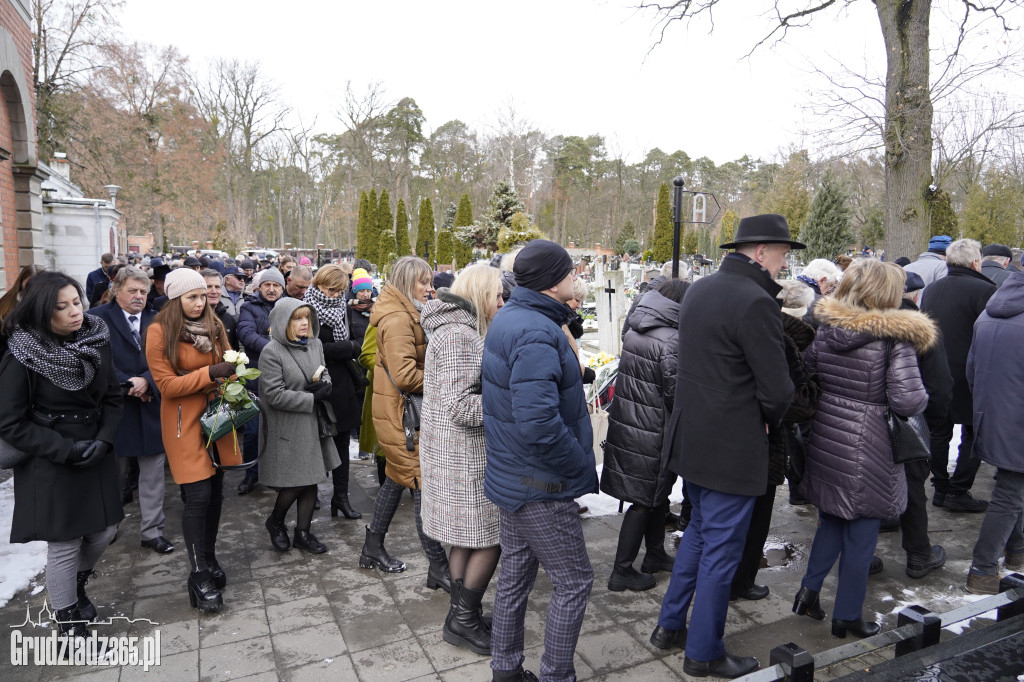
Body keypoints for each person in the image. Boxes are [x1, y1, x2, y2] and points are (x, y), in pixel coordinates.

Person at [651, 215, 798, 679]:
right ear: (760, 251)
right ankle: (703, 652)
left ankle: (670, 626)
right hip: (729, 446)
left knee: (699, 533)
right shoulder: (755, 301)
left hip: (694, 438)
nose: (783, 262)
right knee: (721, 551)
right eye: (781, 254)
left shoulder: (701, 289)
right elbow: (778, 390)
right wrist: (771, 418)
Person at [793, 260, 932, 639]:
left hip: (828, 435)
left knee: (832, 519)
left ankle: (808, 592)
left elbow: (808, 369)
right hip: (871, 445)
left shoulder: (828, 328)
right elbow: (908, 400)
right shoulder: (895, 337)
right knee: (862, 533)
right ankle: (847, 616)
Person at [482, 239, 598, 682]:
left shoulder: (516, 315)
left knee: (515, 575)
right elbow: (538, 423)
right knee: (574, 581)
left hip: (517, 475)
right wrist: (577, 463)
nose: (576, 277)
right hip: (539, 483)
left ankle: (506, 670)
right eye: (570, 272)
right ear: (553, 282)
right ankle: (556, 675)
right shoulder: (535, 330)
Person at [0, 271, 123, 635]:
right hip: (51, 458)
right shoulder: (22, 354)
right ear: (41, 310)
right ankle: (69, 627)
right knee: (65, 544)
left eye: (76, 302)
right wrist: (66, 450)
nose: (75, 311)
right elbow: (10, 424)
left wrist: (105, 439)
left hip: (96, 450)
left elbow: (113, 396)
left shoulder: (96, 339)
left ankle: (75, 586)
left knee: (105, 531)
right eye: (62, 306)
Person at [420, 264, 504, 655]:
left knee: (467, 538)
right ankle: (464, 619)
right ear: (481, 295)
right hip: (465, 457)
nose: (501, 302)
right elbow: (461, 406)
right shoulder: (460, 334)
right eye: (497, 295)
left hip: (454, 453)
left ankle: (461, 616)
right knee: (490, 537)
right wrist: (511, 403)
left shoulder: (457, 328)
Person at [146, 267, 238, 612]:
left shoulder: (215, 326)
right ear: (175, 298)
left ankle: (209, 557)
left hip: (217, 418)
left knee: (215, 492)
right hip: (183, 421)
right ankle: (198, 574)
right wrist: (209, 373)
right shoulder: (159, 331)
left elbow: (230, 363)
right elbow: (167, 386)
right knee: (197, 495)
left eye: (203, 296)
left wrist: (234, 376)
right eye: (192, 297)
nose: (201, 302)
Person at [359, 256, 449, 589]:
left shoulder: (406, 311)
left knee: (397, 479)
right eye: (423, 282)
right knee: (422, 486)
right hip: (403, 419)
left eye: (430, 281)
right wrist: (448, 378)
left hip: (397, 413)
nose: (429, 288)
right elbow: (406, 376)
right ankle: (439, 567)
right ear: (405, 282)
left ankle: (372, 547)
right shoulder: (398, 318)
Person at [601, 279, 689, 592]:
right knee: (643, 500)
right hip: (653, 429)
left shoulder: (638, 329)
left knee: (655, 496)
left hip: (633, 424)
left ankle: (655, 554)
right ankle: (621, 571)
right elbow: (676, 393)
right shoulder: (672, 339)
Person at [87, 267, 172, 554]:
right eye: (132, 290)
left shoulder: (159, 319)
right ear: (116, 290)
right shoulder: (96, 319)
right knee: (113, 475)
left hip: (151, 408)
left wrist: (147, 381)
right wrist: (128, 383)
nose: (139, 296)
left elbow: (168, 359)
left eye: (144, 291)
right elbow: (94, 359)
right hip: (115, 409)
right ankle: (107, 528)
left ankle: (152, 531)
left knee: (153, 474)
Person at [920, 238, 997, 512]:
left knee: (939, 431)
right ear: (976, 262)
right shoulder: (985, 290)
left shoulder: (932, 289)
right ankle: (958, 490)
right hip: (970, 372)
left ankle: (941, 488)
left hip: (936, 369)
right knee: (974, 432)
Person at [259, 298, 341, 553]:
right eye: (297, 319)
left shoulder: (315, 343)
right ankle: (275, 521)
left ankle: (302, 534)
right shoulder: (271, 352)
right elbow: (273, 395)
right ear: (283, 322)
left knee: (312, 477)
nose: (305, 323)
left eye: (306, 317)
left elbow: (323, 370)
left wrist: (325, 384)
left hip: (314, 423)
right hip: (289, 428)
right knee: (297, 481)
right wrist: (311, 398)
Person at [964, 265, 1024, 594]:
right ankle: (983, 569)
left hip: (993, 416)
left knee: (1012, 487)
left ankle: (1016, 550)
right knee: (1009, 495)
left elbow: (972, 371)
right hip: (1015, 422)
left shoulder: (986, 316)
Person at [896, 273, 953, 579]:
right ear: (916, 296)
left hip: (869, 419)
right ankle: (918, 554)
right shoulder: (921, 328)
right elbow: (940, 385)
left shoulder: (863, 323)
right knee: (912, 485)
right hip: (910, 419)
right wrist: (933, 422)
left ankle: (863, 557)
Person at [304, 264, 364, 520]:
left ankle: (341, 497)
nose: (336, 295)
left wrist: (350, 346)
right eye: (332, 290)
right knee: (315, 444)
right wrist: (348, 347)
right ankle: (310, 495)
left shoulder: (342, 307)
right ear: (318, 284)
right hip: (319, 383)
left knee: (342, 444)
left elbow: (353, 340)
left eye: (341, 291)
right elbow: (311, 347)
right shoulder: (306, 310)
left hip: (343, 384)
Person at [234, 267, 286, 494]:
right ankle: (251, 474)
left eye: (276, 285)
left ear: (282, 288)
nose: (271, 289)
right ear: (260, 287)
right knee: (253, 431)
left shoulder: (289, 306)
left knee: (278, 431)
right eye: (267, 285)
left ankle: (276, 474)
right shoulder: (249, 306)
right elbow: (246, 334)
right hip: (255, 376)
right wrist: (275, 349)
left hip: (283, 377)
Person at [0, 264, 44, 357]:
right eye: (29, 284)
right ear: (21, 284)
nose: (33, 288)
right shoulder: (8, 305)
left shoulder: (50, 305)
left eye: (38, 285)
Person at [202, 269, 238, 350]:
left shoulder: (228, 319)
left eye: (217, 287)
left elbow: (234, 350)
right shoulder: (190, 318)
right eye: (209, 287)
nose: (214, 291)